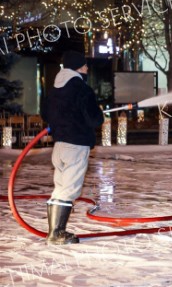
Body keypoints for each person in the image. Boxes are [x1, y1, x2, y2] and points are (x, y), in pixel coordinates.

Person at [41, 51, 104, 244]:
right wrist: (98, 112)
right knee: (68, 189)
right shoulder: (82, 89)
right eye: (84, 66)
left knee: (60, 187)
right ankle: (57, 233)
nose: (86, 69)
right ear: (78, 67)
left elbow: (45, 114)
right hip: (76, 145)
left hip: (59, 146)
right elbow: (94, 119)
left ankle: (54, 230)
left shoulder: (54, 88)